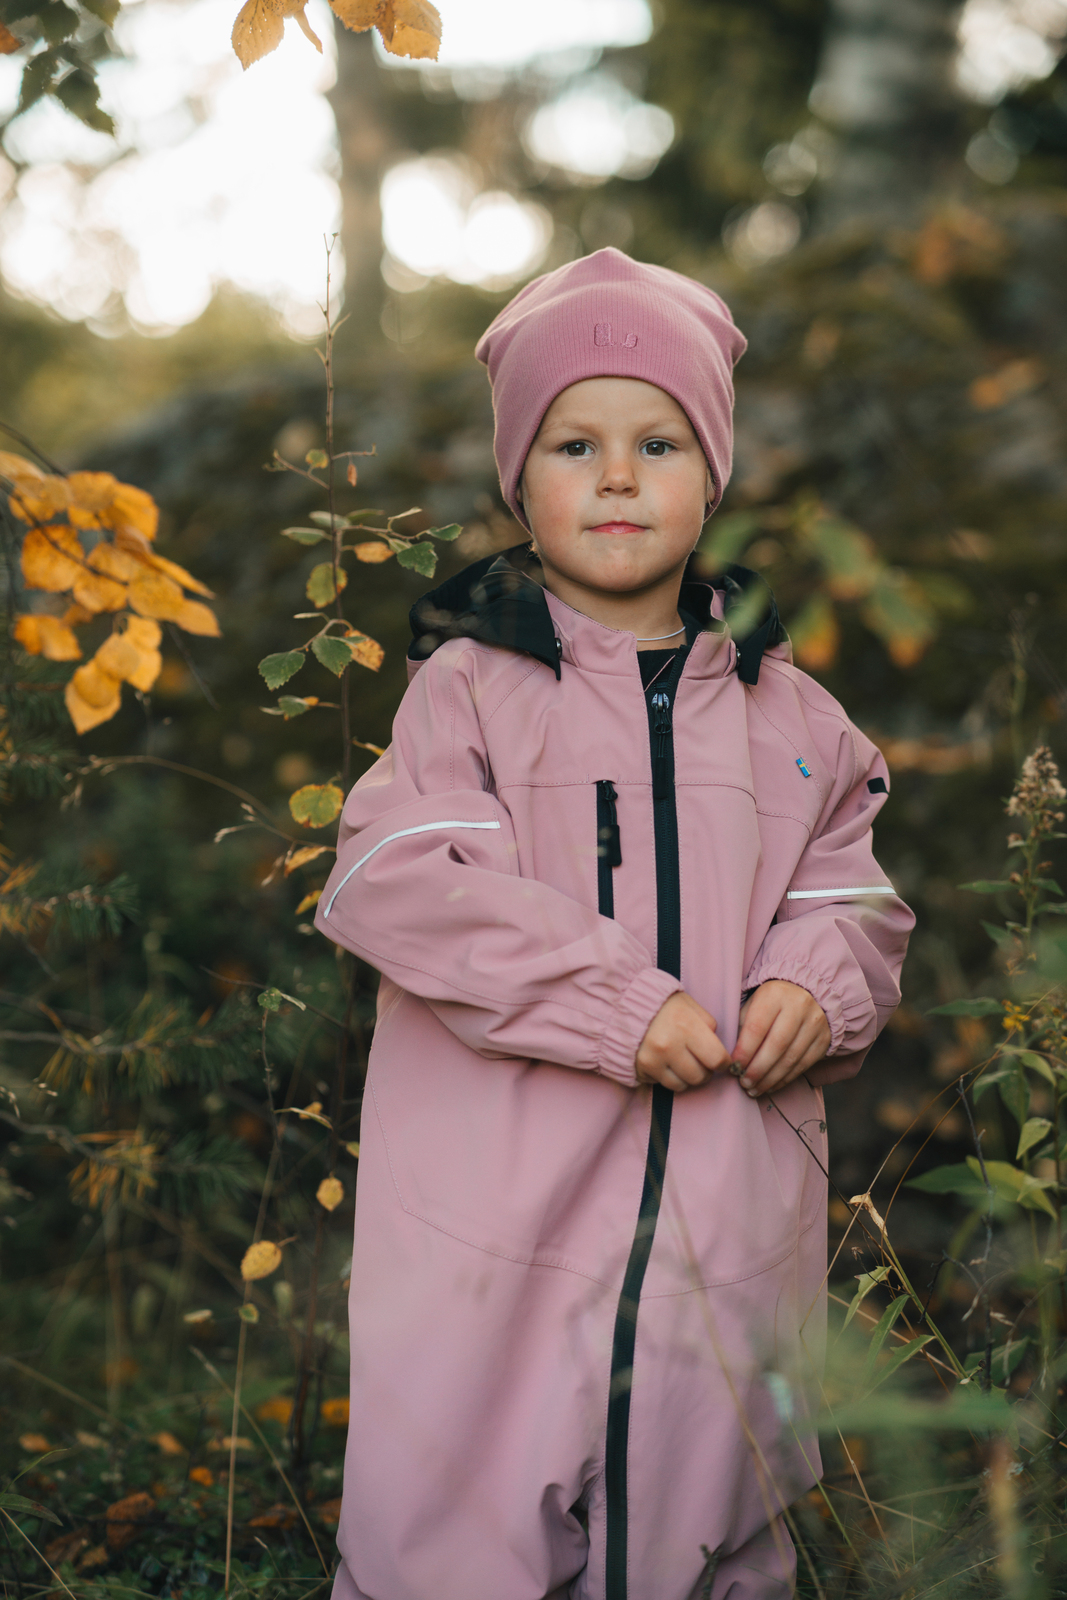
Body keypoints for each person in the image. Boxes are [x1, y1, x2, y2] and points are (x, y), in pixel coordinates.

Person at [315, 248, 914, 1600]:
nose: (620, 477)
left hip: (724, 1214)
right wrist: (616, 1003)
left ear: (714, 477)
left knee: (710, 1515)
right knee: (459, 1525)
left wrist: (816, 981)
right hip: (494, 1222)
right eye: (574, 444)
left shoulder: (791, 714)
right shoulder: (468, 690)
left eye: (659, 443)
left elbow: (852, 894)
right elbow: (399, 878)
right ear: (517, 483)